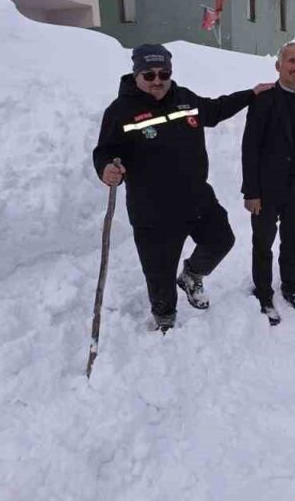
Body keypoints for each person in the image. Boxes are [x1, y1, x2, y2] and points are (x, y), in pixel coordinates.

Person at [92, 43, 273, 331]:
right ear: (136, 74)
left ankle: (191, 275)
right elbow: (103, 151)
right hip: (153, 210)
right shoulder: (120, 111)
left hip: (195, 198)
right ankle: (165, 319)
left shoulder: (184, 99)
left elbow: (215, 109)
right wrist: (106, 169)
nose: (157, 81)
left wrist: (250, 95)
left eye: (163, 74)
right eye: (149, 75)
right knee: (159, 273)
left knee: (221, 239)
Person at [241, 41, 295, 326]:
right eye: (291, 61)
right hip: (266, 188)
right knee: (263, 243)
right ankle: (264, 293)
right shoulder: (263, 98)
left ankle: (291, 288)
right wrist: (251, 192)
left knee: (293, 241)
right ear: (279, 65)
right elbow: (250, 147)